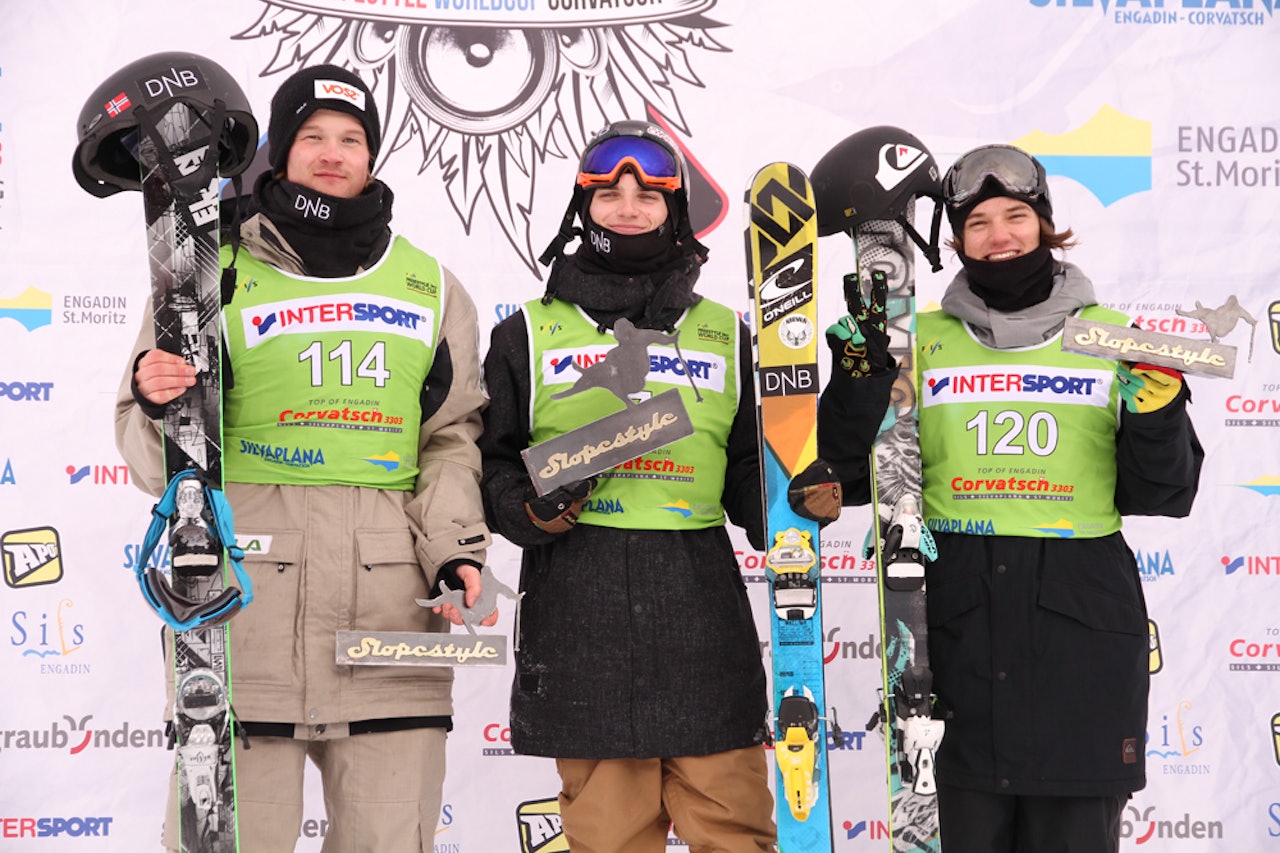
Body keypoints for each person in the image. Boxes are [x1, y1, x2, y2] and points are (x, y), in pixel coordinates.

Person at [114, 63, 493, 852]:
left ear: (372, 155)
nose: (332, 153)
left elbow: (450, 440)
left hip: (390, 620)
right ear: (280, 151)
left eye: (351, 138)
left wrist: (457, 551)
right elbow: (155, 452)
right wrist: (157, 401)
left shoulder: (431, 286)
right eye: (312, 136)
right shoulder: (204, 272)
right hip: (237, 619)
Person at [816, 142, 1203, 852]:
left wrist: (1157, 414)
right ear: (956, 240)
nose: (1000, 235)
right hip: (953, 642)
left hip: (1079, 642)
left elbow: (1166, 492)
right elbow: (843, 470)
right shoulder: (915, 337)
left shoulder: (1113, 337)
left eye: (1016, 215)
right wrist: (858, 379)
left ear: (1045, 223)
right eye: (979, 222)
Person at [478, 119, 841, 853]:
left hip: (700, 618)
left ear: (675, 210)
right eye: (608, 191)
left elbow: (746, 471)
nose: (629, 204)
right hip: (583, 621)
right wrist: (529, 505)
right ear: (582, 207)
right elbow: (490, 465)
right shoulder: (527, 332)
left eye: (650, 192)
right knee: (609, 843)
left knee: (736, 836)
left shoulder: (726, 332)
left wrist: (790, 503)